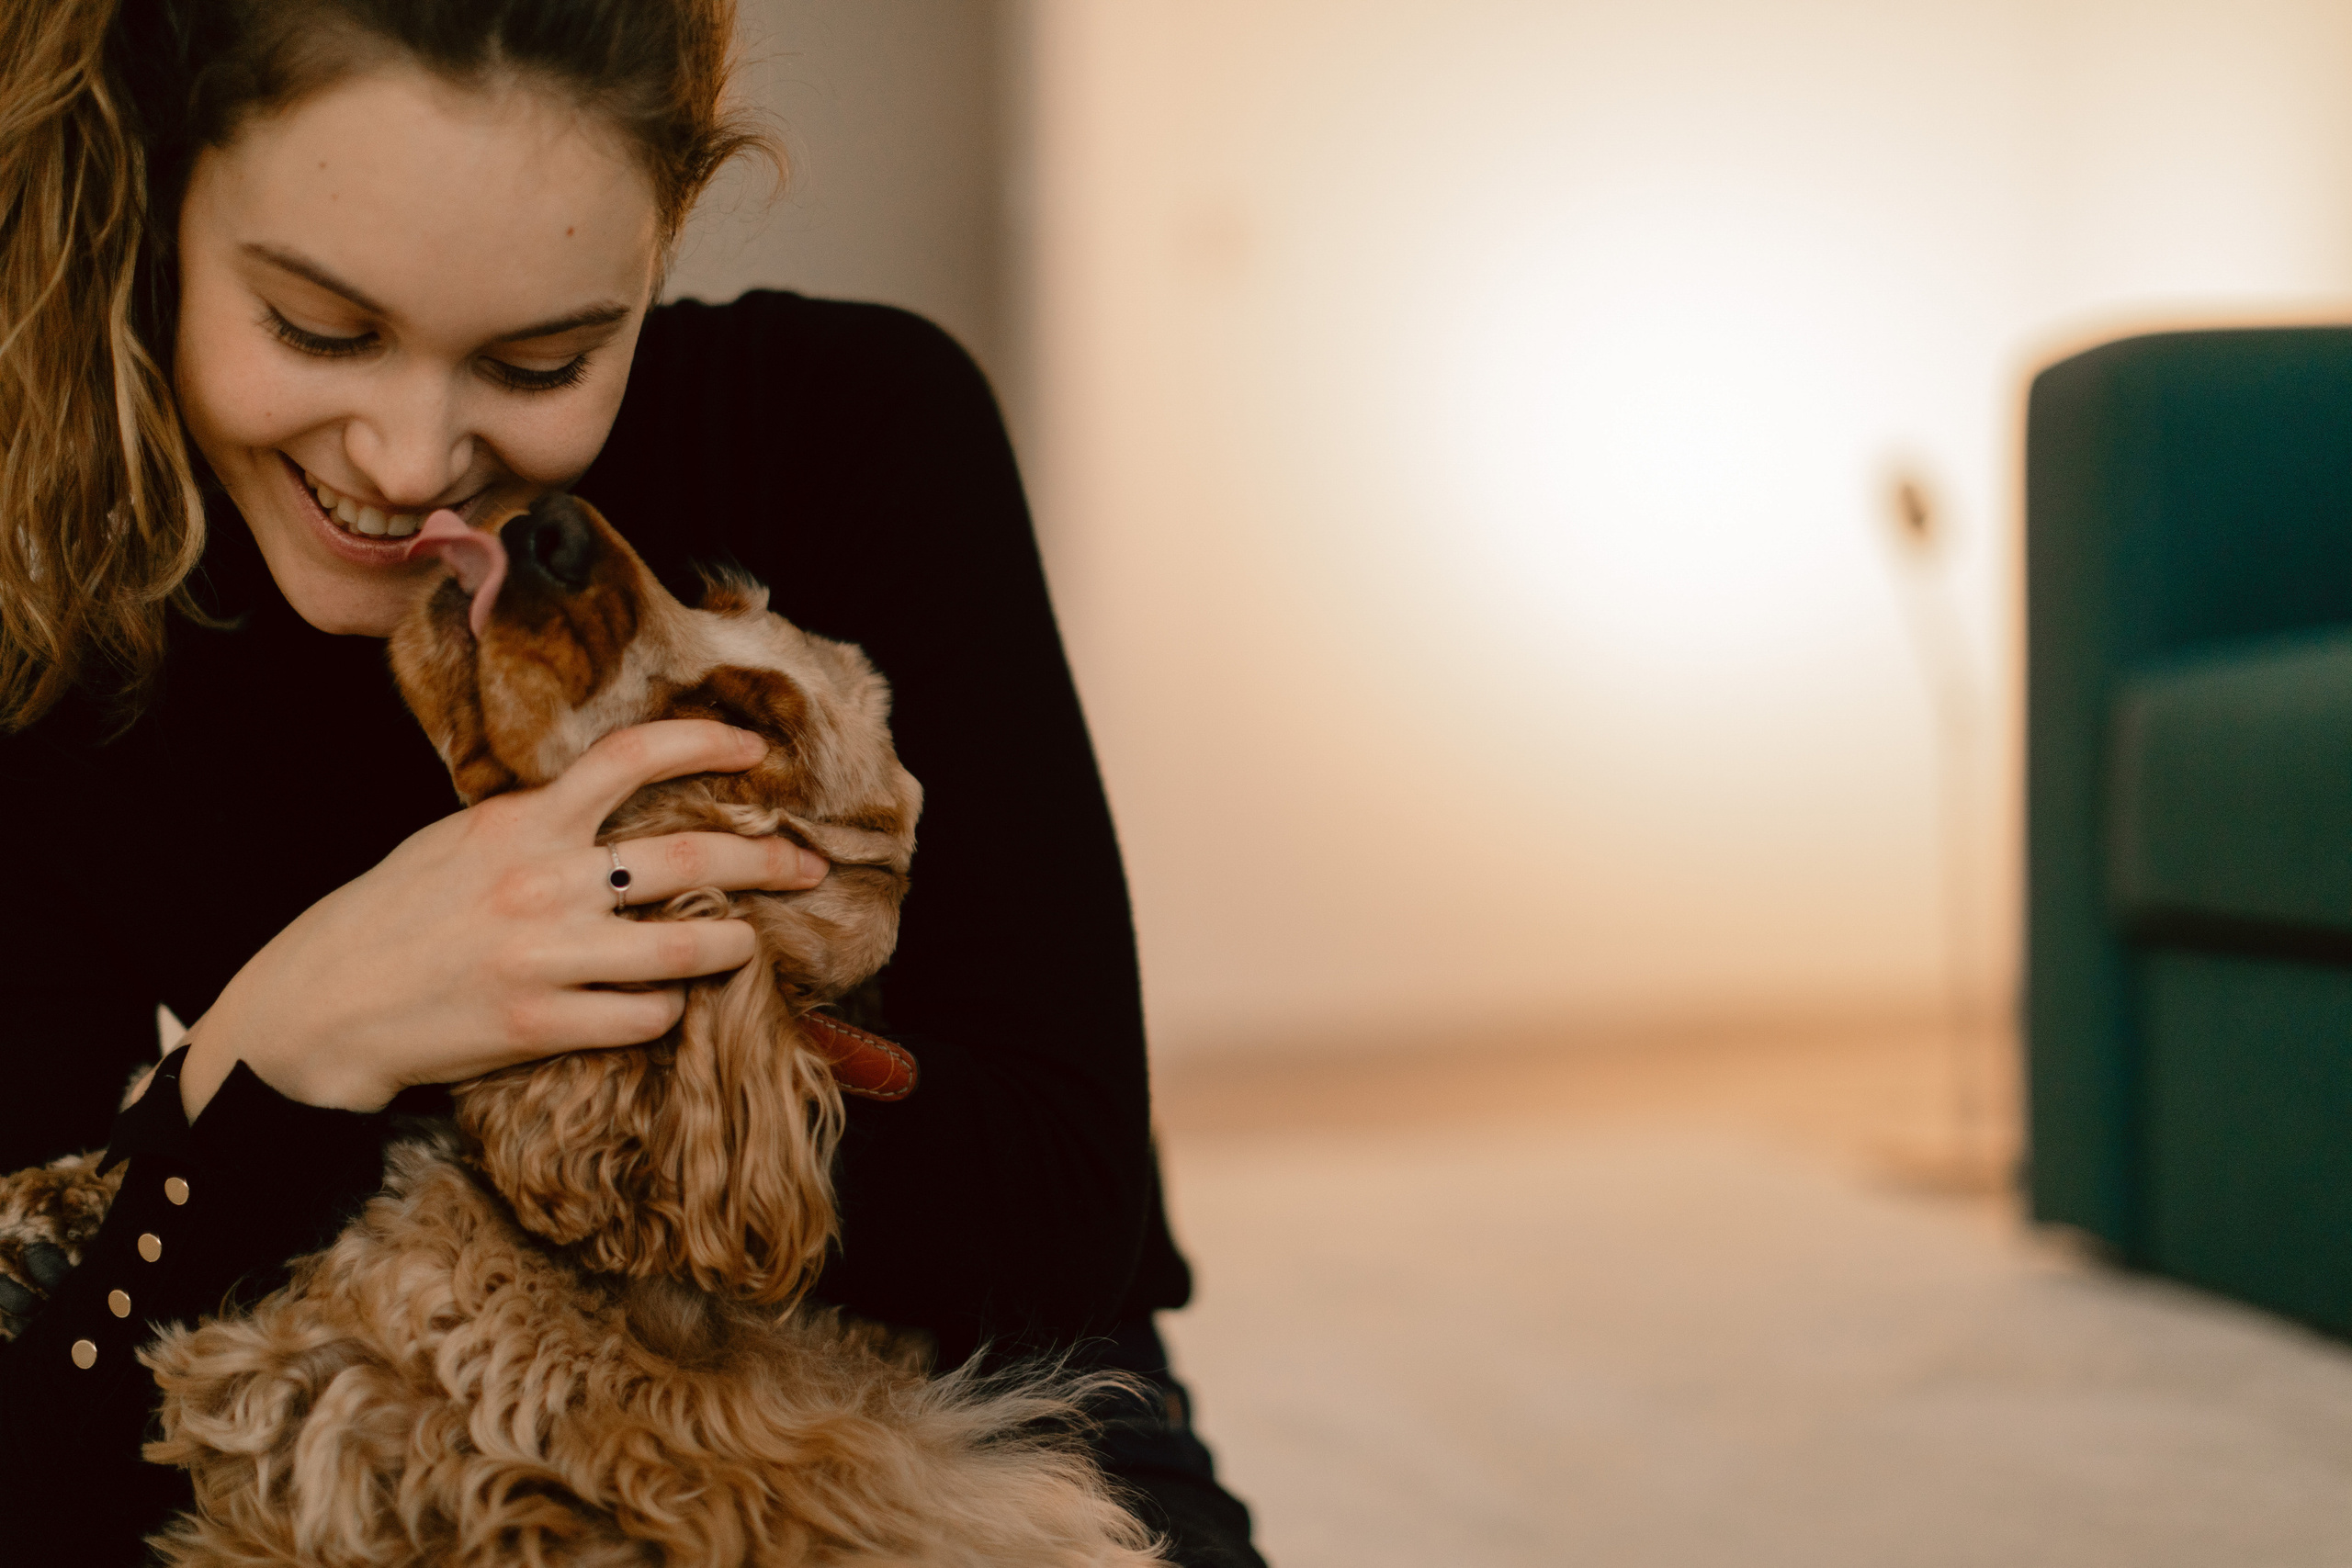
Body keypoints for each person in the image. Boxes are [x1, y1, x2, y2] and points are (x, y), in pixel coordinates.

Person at [0, 2, 1264, 1562]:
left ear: (658, 253)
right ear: (167, 209)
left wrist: (546, 1046)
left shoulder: (851, 422)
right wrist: (294, 1035)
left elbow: (1064, 1220)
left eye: (543, 361)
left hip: (974, 1411)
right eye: (320, 330)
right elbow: (42, 1435)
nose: (408, 466)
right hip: (362, 1441)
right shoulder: (50, 640)